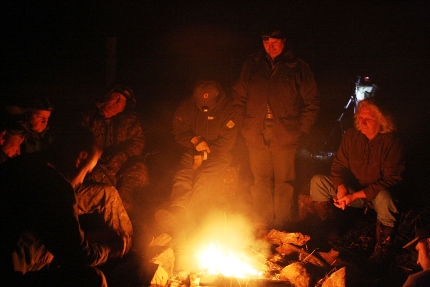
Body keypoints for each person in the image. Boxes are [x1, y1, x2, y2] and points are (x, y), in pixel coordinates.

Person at [0, 124, 126, 287]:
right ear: (80, 157)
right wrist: (112, 249)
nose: (82, 180)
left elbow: (61, 235)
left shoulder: (23, 163)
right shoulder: (55, 186)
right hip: (9, 277)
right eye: (87, 171)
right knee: (93, 278)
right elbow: (77, 257)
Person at [232, 27, 320, 233]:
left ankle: (282, 227)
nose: (270, 47)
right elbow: (238, 97)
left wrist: (300, 128)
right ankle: (263, 224)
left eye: (274, 42)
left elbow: (312, 101)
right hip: (255, 131)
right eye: (266, 43)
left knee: (285, 182)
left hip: (285, 133)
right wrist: (243, 124)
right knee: (260, 180)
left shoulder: (298, 67)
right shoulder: (252, 65)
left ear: (284, 41)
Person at [155, 80, 238, 271]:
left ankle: (193, 218)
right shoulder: (187, 106)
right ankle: (178, 212)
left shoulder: (228, 109)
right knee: (183, 175)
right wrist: (194, 140)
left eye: (209, 103)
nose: (204, 107)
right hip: (192, 150)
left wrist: (205, 153)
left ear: (217, 98)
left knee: (203, 180)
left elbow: (228, 142)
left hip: (218, 153)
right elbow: (178, 131)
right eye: (201, 103)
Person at [310, 98, 405, 260]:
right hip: (353, 192)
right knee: (318, 182)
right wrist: (342, 187)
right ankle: (329, 233)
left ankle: (382, 249)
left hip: (376, 196)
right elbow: (338, 166)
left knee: (385, 197)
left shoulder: (391, 143)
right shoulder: (351, 136)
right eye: (360, 118)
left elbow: (392, 179)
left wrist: (355, 195)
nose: (362, 122)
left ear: (382, 121)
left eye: (368, 119)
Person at [79, 85, 148, 218]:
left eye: (123, 102)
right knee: (97, 187)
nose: (118, 103)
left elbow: (138, 141)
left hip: (120, 165)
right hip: (94, 165)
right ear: (106, 97)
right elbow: (78, 140)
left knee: (138, 170)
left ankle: (130, 214)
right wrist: (93, 158)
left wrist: (122, 155)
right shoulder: (88, 116)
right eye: (116, 98)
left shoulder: (128, 121)